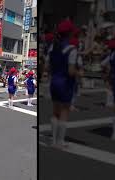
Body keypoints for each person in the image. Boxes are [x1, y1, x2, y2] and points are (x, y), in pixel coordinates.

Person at [46, 19, 78, 148]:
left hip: (54, 82)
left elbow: (47, 67)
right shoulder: (72, 49)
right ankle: (60, 141)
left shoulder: (53, 47)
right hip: (66, 83)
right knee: (64, 112)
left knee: (55, 112)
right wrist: (79, 73)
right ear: (70, 34)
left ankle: (53, 140)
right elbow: (71, 71)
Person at [101, 39, 115, 108]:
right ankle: (112, 102)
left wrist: (106, 69)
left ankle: (109, 102)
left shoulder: (110, 55)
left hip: (112, 72)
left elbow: (102, 64)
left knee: (110, 87)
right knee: (113, 88)